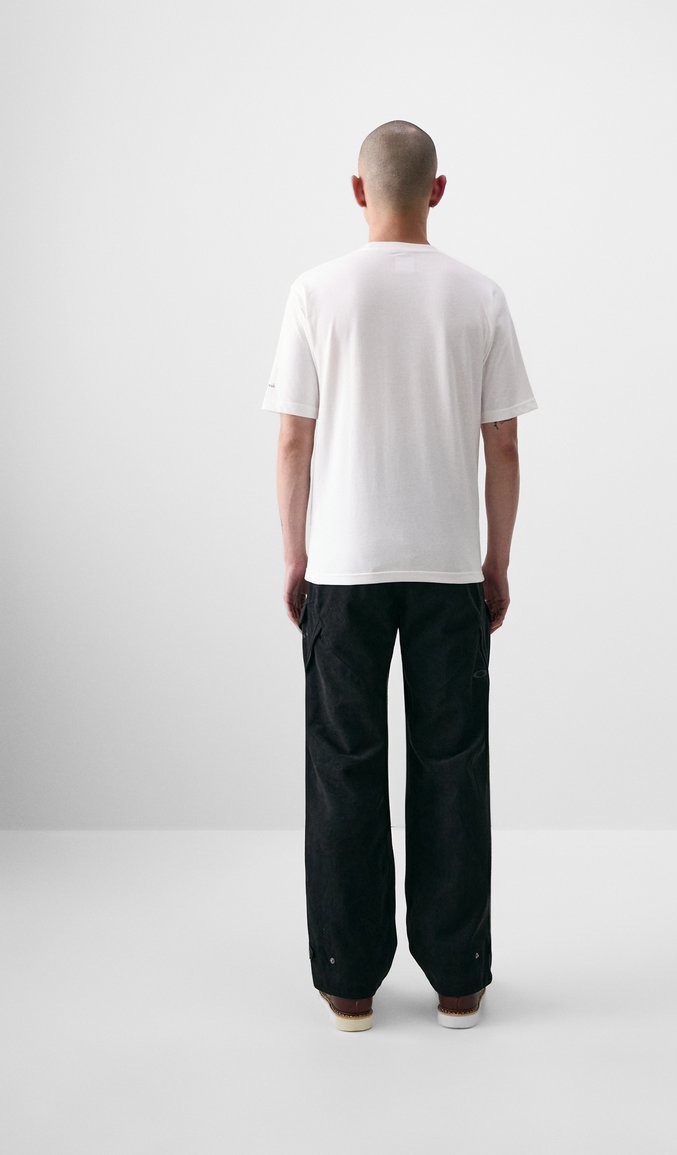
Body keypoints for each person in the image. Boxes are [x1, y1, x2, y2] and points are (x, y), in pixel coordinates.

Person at [262, 120, 538, 1031]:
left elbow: (293, 439)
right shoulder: (479, 295)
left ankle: (349, 984)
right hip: (448, 566)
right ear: (438, 190)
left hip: (344, 568)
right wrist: (496, 561)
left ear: (358, 191)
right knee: (452, 765)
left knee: (344, 767)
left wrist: (296, 555)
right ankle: (459, 980)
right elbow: (503, 445)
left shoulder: (316, 292)